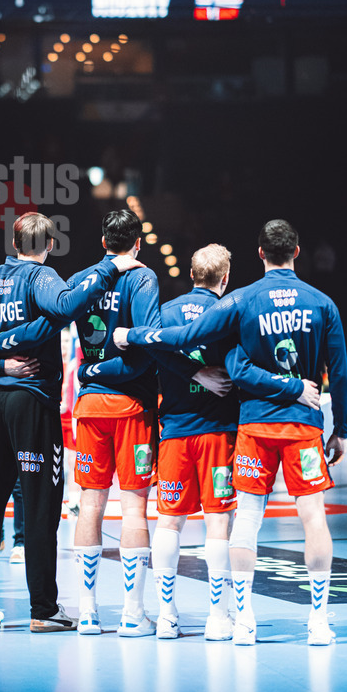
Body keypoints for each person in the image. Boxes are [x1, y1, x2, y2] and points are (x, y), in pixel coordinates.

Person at [116, 219, 347, 647]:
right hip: (285, 428)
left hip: (236, 429)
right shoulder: (322, 303)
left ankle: (233, 620)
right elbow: (340, 372)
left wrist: (130, 334)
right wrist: (341, 428)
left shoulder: (240, 304)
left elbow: (185, 342)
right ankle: (307, 622)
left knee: (233, 519)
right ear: (296, 252)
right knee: (309, 517)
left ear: (260, 253)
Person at [0, 211, 136, 632]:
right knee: (40, 506)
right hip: (32, 403)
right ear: (49, 246)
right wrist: (110, 264)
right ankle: (44, 610)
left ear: (12, 244)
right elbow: (68, 306)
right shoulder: (43, 278)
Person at [150, 243, 238, 640]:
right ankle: (218, 617)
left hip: (174, 434)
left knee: (170, 522)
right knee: (219, 522)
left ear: (190, 274)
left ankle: (166, 616)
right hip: (218, 433)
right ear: (225, 278)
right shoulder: (230, 312)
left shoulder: (165, 313)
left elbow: (151, 358)